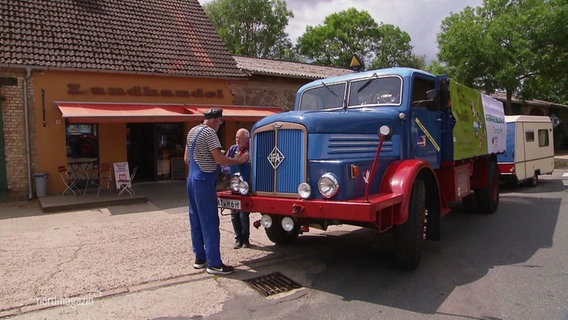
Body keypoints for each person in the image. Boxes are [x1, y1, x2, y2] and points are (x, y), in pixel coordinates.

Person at [184, 108, 248, 275]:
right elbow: (219, 159)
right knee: (210, 221)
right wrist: (238, 160)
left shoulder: (192, 131)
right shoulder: (210, 134)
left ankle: (200, 258)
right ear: (215, 120)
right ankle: (214, 263)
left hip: (191, 178)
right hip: (204, 179)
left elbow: (186, 159)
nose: (220, 125)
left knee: (195, 218)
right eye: (220, 122)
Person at [225, 128, 251, 249]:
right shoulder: (232, 149)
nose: (237, 140)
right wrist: (228, 170)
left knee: (243, 214)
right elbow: (223, 163)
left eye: (239, 138)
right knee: (233, 214)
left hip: (245, 187)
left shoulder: (251, 150)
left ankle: (246, 239)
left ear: (246, 139)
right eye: (236, 137)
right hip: (234, 185)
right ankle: (238, 239)